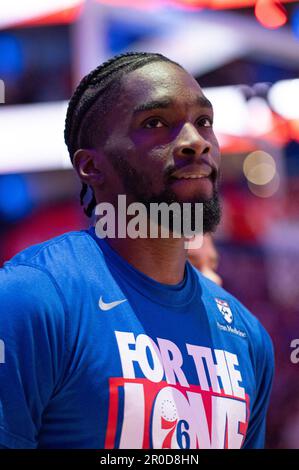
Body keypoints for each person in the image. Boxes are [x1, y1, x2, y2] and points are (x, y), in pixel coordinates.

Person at [0, 52, 274, 449]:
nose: (195, 142)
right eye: (155, 123)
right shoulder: (31, 300)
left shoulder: (247, 337)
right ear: (91, 168)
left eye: (203, 122)